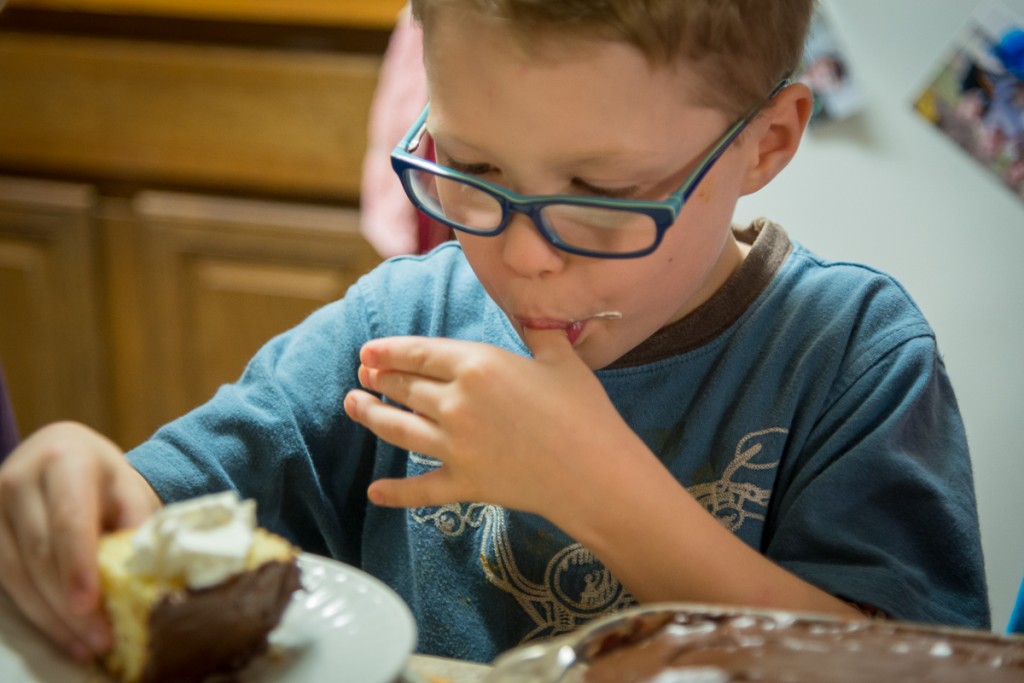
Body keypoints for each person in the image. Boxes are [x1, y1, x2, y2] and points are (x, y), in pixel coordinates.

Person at [0, 0, 989, 667]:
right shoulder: (400, 324)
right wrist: (86, 490)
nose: (521, 256)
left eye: (603, 195)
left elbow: (906, 666)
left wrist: (600, 489)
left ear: (767, 143)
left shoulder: (852, 358)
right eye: (470, 165)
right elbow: (171, 503)